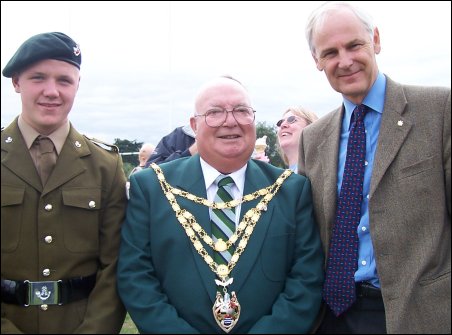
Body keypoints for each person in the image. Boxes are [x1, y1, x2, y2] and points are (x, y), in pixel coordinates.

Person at [117, 76, 324, 333]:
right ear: (194, 125)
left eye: (241, 111)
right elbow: (136, 276)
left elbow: (306, 279)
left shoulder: (290, 190)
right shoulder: (152, 187)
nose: (230, 120)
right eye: (214, 112)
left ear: (253, 120)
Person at [299, 2, 451, 334]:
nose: (345, 60)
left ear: (376, 40)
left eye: (354, 45)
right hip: (332, 317)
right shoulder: (312, 139)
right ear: (317, 61)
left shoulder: (439, 111)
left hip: (420, 316)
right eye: (330, 52)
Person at [1, 32, 127, 333]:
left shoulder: (105, 165)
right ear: (17, 82)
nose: (51, 91)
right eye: (38, 78)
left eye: (64, 80)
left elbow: (116, 266)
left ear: (77, 85)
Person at [276, 106, 318, 172]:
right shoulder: (278, 178)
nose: (282, 125)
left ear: (311, 128)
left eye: (292, 119)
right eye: (280, 122)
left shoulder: (321, 172)